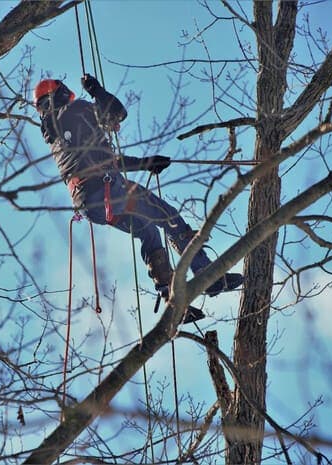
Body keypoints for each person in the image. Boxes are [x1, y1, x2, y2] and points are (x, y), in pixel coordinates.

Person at [34, 74, 243, 323]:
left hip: (92, 204)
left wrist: (145, 164)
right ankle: (208, 275)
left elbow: (100, 162)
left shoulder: (55, 134)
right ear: (60, 93)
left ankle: (173, 300)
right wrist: (96, 91)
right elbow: (117, 114)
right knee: (168, 216)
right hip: (107, 189)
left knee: (147, 230)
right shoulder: (76, 111)